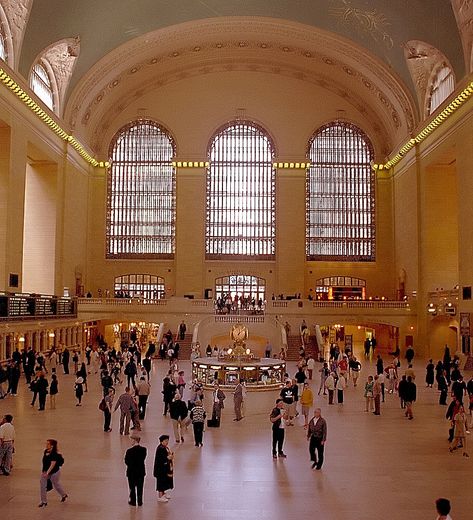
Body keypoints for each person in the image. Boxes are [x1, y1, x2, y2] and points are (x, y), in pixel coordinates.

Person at [38, 439, 67, 507]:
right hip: (45, 472)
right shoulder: (45, 451)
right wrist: (44, 472)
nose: (46, 445)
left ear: (52, 446)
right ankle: (43, 501)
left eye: (48, 444)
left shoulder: (54, 454)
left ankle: (63, 495)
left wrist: (47, 473)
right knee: (42, 485)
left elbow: (52, 465)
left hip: (54, 472)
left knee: (56, 484)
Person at [124, 433, 147, 507]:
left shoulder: (129, 451)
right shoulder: (144, 450)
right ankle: (140, 501)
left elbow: (126, 461)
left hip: (131, 472)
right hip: (141, 472)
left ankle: (133, 501)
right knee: (140, 487)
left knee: (132, 487)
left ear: (134, 440)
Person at [153, 435, 174, 502]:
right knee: (161, 482)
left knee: (165, 481)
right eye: (165, 441)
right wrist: (168, 458)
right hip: (160, 469)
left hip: (165, 468)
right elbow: (161, 459)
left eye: (167, 441)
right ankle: (160, 496)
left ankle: (163, 493)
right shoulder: (160, 449)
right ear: (162, 441)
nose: (167, 442)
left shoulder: (165, 448)